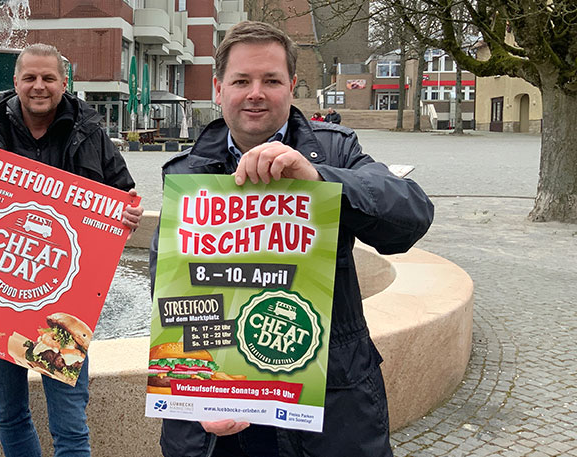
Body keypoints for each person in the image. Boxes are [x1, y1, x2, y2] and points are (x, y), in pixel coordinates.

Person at [149, 21, 433, 457]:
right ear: (219, 87)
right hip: (215, 422)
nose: (255, 92)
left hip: (327, 408)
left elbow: (410, 217)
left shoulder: (335, 152)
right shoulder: (187, 172)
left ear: (292, 86)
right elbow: (170, 293)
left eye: (271, 80)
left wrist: (321, 181)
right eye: (242, 80)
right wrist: (200, 393)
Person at [0, 43, 143, 457]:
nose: (39, 86)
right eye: (30, 78)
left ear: (63, 83)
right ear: (15, 82)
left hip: (63, 304)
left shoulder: (90, 133)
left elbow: (122, 195)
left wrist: (128, 213)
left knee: (70, 424)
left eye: (48, 78)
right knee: (9, 414)